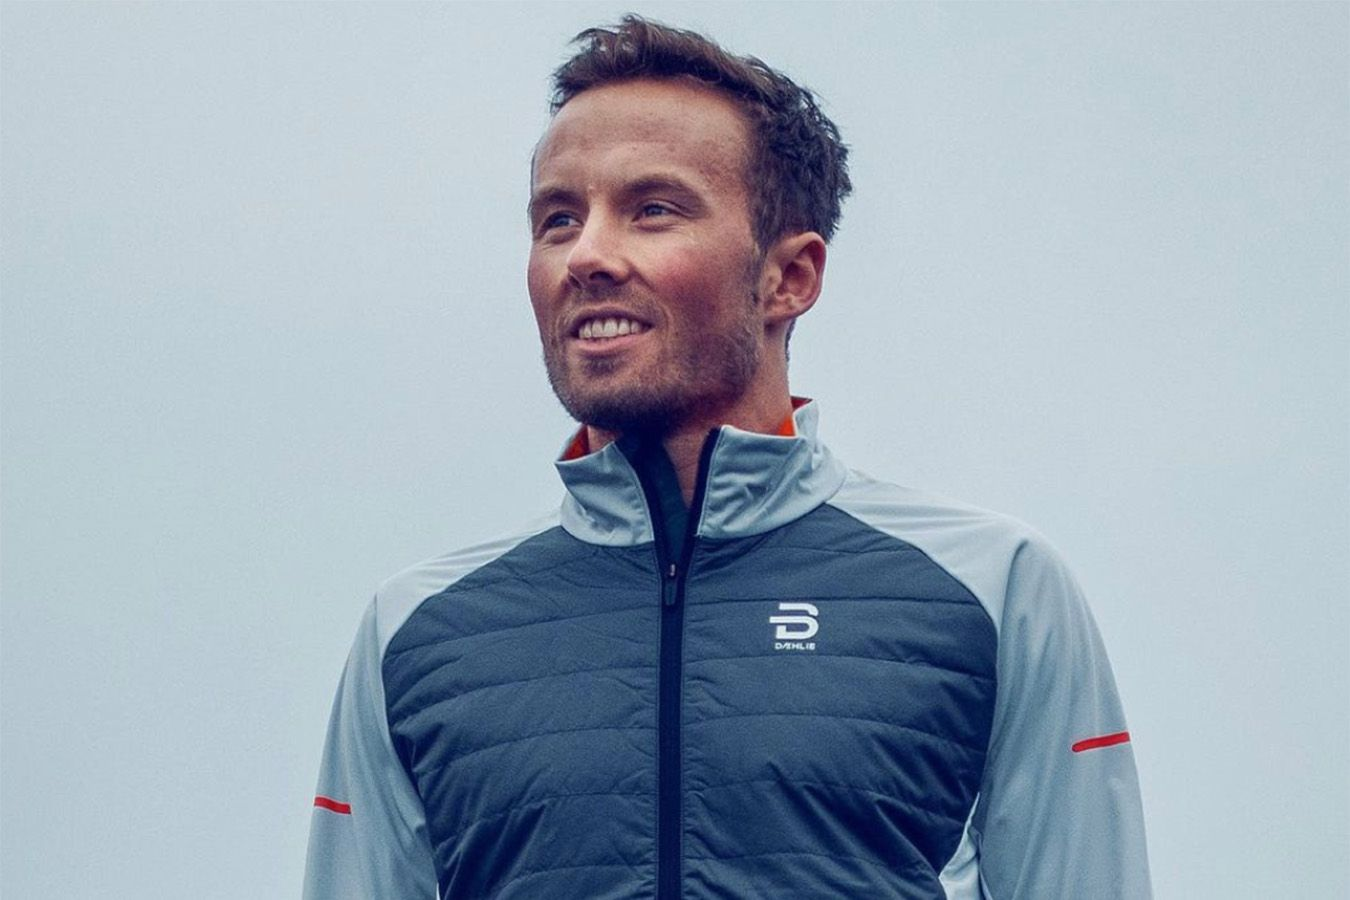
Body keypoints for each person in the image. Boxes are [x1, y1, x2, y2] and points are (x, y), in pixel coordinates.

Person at [303, 16, 1151, 900]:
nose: (586, 255)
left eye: (652, 209)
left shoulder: (995, 587)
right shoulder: (413, 633)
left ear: (790, 277)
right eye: (558, 219)